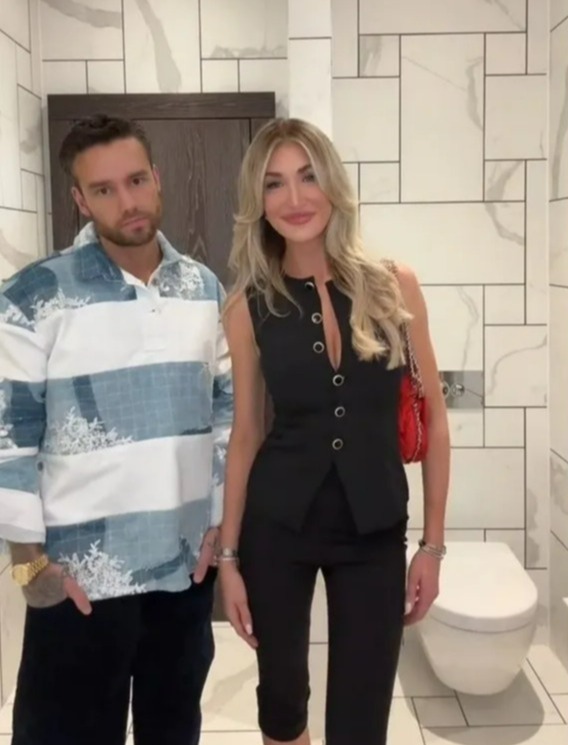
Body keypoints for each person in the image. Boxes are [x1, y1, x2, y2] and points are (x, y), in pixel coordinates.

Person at [0, 114, 232, 745]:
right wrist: (28, 566)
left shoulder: (204, 289)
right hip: (80, 583)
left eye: (135, 180)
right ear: (79, 199)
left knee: (172, 732)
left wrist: (219, 529)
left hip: (182, 576)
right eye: (103, 189)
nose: (126, 201)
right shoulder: (33, 295)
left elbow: (225, 416)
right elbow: (7, 436)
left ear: (157, 179)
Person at [217, 118, 450, 745]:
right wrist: (230, 559)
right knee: (283, 704)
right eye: (274, 184)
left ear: (333, 184)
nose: (294, 199)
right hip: (277, 529)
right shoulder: (247, 306)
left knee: (361, 717)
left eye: (308, 176)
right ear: (257, 202)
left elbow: (436, 422)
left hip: (373, 530)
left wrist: (431, 545)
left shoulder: (393, 285)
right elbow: (244, 435)